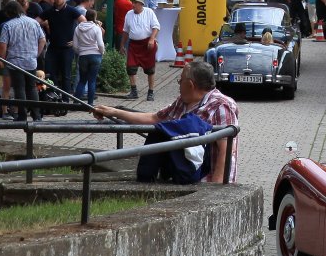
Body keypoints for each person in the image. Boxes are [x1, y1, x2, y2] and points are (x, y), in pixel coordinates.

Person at [92, 61, 239, 183]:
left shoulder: (221, 106)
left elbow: (226, 151)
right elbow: (154, 118)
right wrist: (114, 112)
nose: (179, 84)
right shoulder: (183, 101)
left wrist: (215, 188)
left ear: (190, 85)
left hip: (208, 182)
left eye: (180, 81)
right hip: (185, 178)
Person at [0, 0, 46, 120]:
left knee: (19, 88)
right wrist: (36, 54)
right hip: (31, 61)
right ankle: (36, 115)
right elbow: (42, 40)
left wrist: (2, 59)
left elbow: (3, 45)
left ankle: (22, 116)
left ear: (9, 12)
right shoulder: (34, 22)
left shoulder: (7, 26)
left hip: (15, 62)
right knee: (32, 88)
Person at [40, 0, 80, 108]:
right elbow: (36, 22)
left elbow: (84, 23)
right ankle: (53, 96)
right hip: (53, 47)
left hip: (67, 48)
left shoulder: (71, 11)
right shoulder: (50, 11)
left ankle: (66, 100)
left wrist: (77, 40)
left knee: (66, 75)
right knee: (50, 73)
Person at [121, 0, 163, 101]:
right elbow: (125, 31)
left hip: (147, 44)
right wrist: (122, 45)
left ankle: (151, 92)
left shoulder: (149, 12)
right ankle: (134, 91)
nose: (133, 4)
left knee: (150, 69)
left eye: (135, 3)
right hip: (133, 45)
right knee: (130, 68)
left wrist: (152, 39)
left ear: (141, 4)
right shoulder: (129, 14)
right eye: (133, 2)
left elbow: (156, 27)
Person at [72, 6, 104, 106]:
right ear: (95, 17)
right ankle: (90, 103)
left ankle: (76, 101)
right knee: (92, 80)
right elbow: (100, 44)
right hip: (95, 55)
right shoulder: (96, 28)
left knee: (82, 80)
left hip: (83, 56)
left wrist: (80, 52)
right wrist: (101, 52)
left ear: (85, 16)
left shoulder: (78, 28)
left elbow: (75, 45)